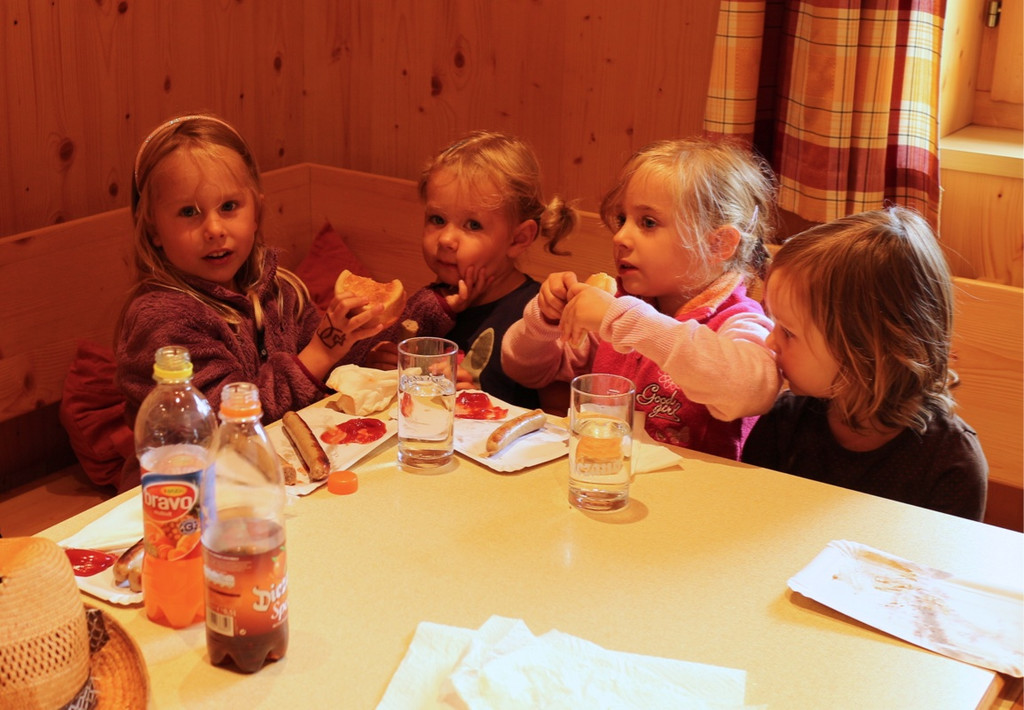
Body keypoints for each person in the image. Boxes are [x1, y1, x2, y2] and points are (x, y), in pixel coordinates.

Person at [116, 114, 385, 473]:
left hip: (282, 472)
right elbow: (226, 427)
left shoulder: (279, 289)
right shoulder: (162, 320)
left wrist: (381, 336)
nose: (214, 229)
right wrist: (322, 351)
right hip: (184, 491)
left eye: (228, 207)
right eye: (188, 212)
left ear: (255, 211)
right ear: (153, 230)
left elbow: (333, 367)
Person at [501, 136, 781, 460]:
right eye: (622, 220)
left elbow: (749, 389)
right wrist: (544, 321)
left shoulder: (740, 320)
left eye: (648, 222)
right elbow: (525, 371)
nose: (620, 236)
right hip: (603, 477)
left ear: (718, 245)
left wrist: (626, 321)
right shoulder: (617, 306)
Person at [741, 207, 988, 520]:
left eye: (789, 332)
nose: (770, 341)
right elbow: (749, 520)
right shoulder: (783, 422)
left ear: (867, 350)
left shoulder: (950, 463)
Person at [345, 130, 578, 409]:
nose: (446, 239)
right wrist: (379, 367)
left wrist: (478, 397)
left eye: (473, 225)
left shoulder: (541, 317)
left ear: (519, 239)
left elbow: (558, 418)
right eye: (437, 219)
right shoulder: (430, 304)